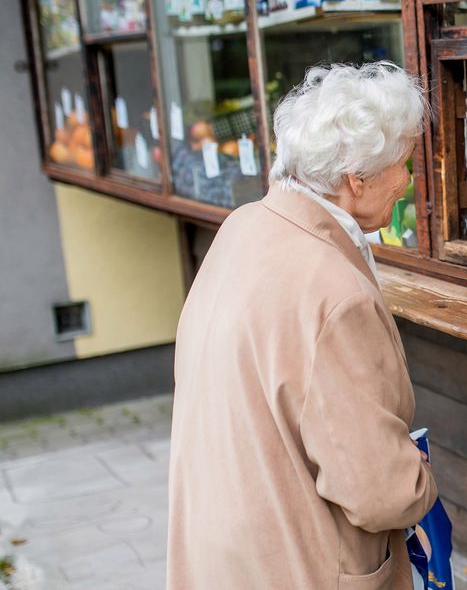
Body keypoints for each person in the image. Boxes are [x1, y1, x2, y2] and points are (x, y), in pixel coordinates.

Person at [167, 61, 437, 589]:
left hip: (224, 549)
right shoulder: (335, 293)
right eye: (403, 164)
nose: (408, 182)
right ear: (355, 180)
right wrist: (420, 481)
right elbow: (380, 492)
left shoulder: (244, 226)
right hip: (297, 563)